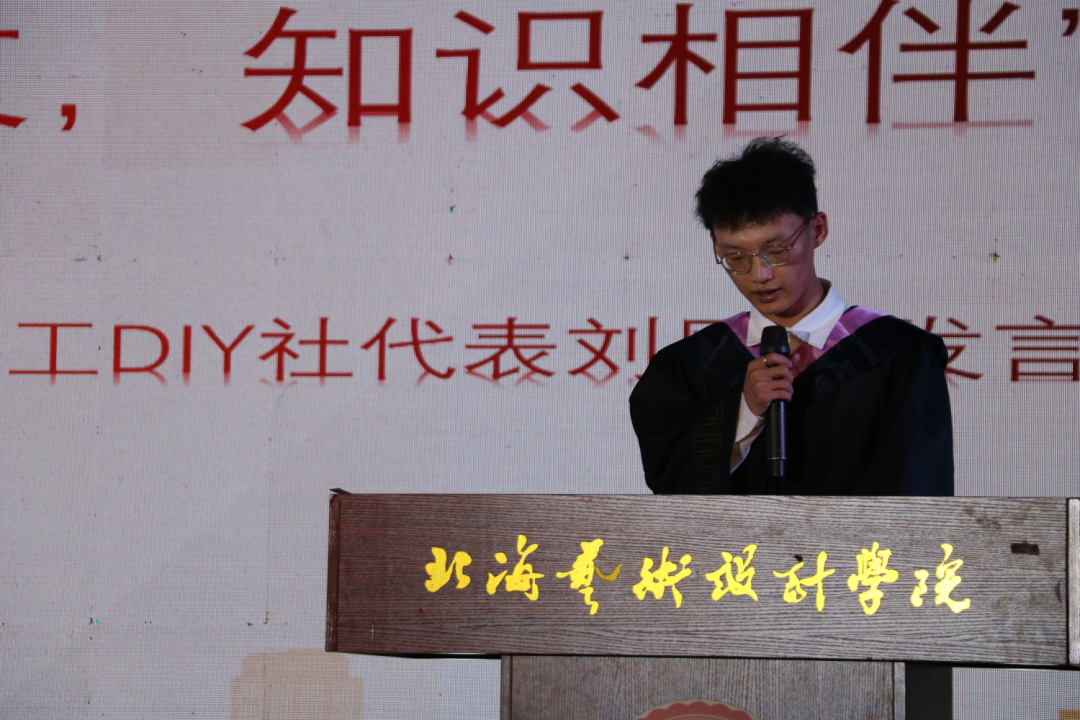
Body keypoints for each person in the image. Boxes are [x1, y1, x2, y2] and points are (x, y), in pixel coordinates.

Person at [629, 137, 953, 496]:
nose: (760, 275)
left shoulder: (896, 354)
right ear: (715, 246)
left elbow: (916, 491)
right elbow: (670, 488)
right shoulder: (687, 367)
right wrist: (743, 413)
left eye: (776, 250)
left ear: (817, 230)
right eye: (736, 257)